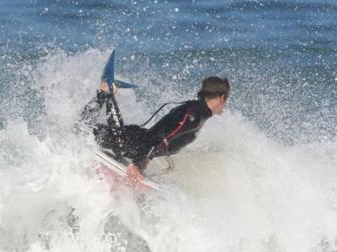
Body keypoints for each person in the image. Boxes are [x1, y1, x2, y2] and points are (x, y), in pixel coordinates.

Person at [80, 76, 230, 182]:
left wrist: (144, 160)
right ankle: (105, 93)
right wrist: (137, 164)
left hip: (136, 142)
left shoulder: (195, 110)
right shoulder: (195, 115)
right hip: (132, 142)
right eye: (226, 100)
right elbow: (162, 137)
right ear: (222, 98)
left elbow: (162, 136)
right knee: (84, 131)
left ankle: (104, 94)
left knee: (84, 129)